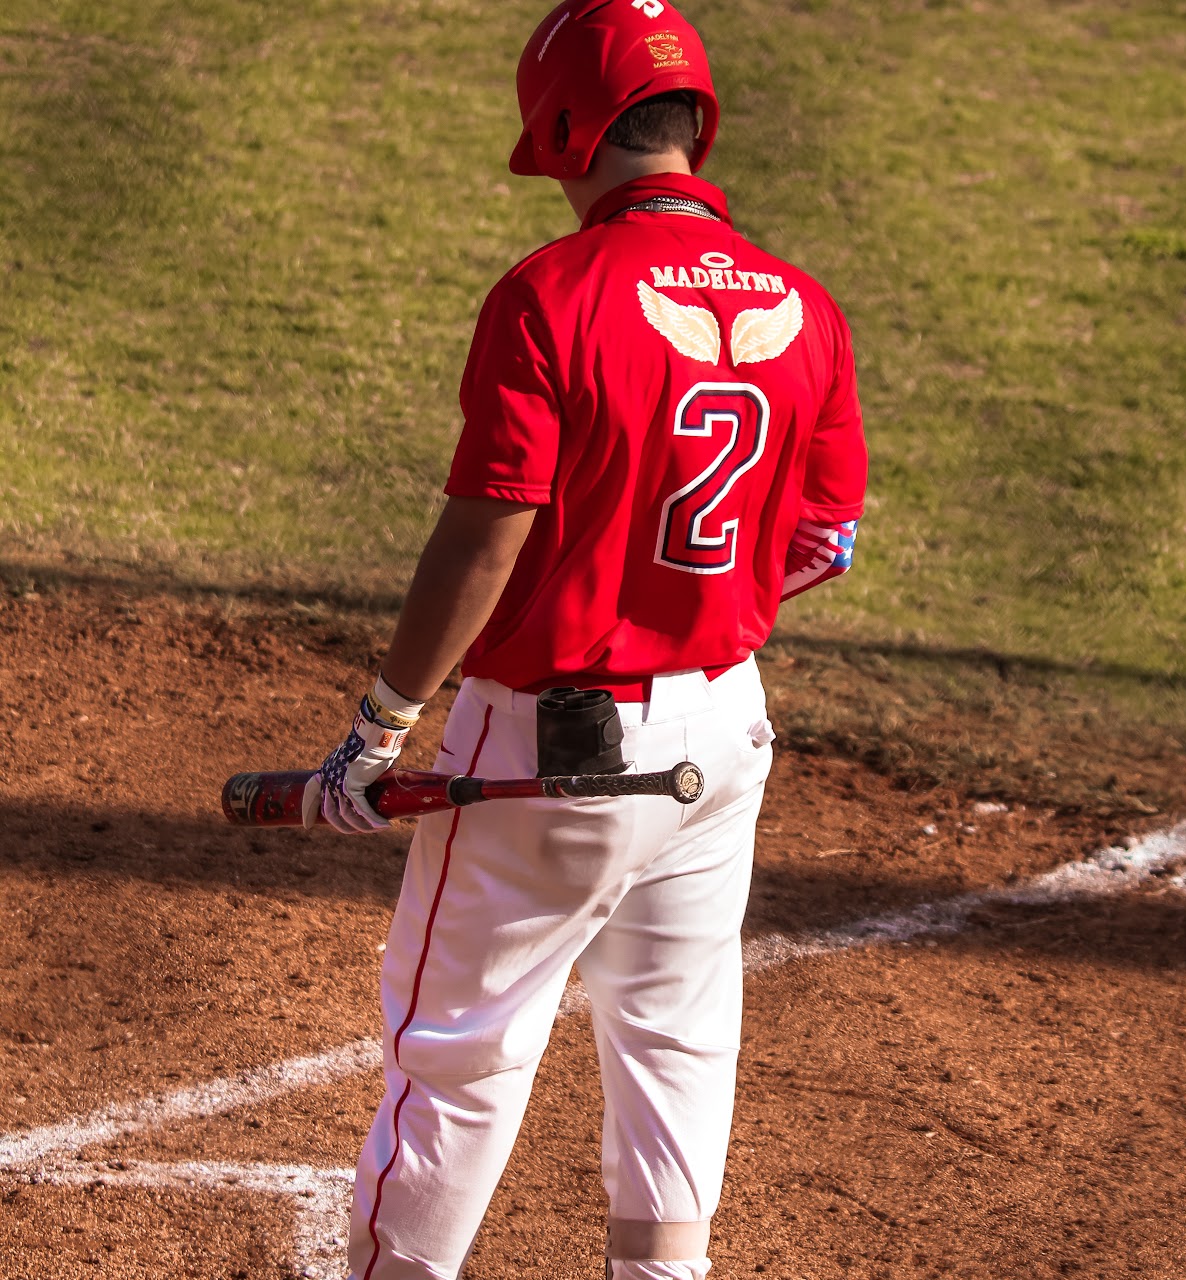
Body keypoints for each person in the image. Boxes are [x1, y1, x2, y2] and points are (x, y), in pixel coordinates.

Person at [300, 1, 868, 1276]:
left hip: (547, 750)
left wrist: (380, 725)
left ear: (567, 127)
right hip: (724, 734)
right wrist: (702, 615)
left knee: (457, 1044)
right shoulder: (806, 306)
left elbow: (484, 534)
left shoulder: (550, 293)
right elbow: (824, 536)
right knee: (675, 1038)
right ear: (691, 123)